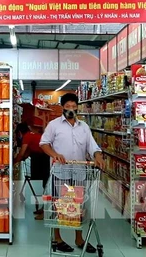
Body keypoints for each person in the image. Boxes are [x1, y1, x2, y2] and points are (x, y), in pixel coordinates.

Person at [39, 93, 105, 254]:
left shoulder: (84, 127)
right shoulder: (54, 125)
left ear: (77, 108)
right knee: (58, 206)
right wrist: (54, 154)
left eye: (74, 107)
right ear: (62, 107)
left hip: (79, 173)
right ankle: (58, 238)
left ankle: (79, 238)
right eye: (67, 107)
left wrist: (97, 155)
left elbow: (92, 145)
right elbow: (44, 143)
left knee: (78, 207)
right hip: (60, 172)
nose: (71, 110)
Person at [14, 119, 48, 220]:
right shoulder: (32, 135)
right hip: (42, 158)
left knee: (46, 185)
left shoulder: (27, 136)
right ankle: (44, 208)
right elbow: (29, 151)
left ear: (20, 132)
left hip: (43, 159)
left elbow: (22, 152)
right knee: (45, 185)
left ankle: (46, 211)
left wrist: (15, 162)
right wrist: (23, 157)